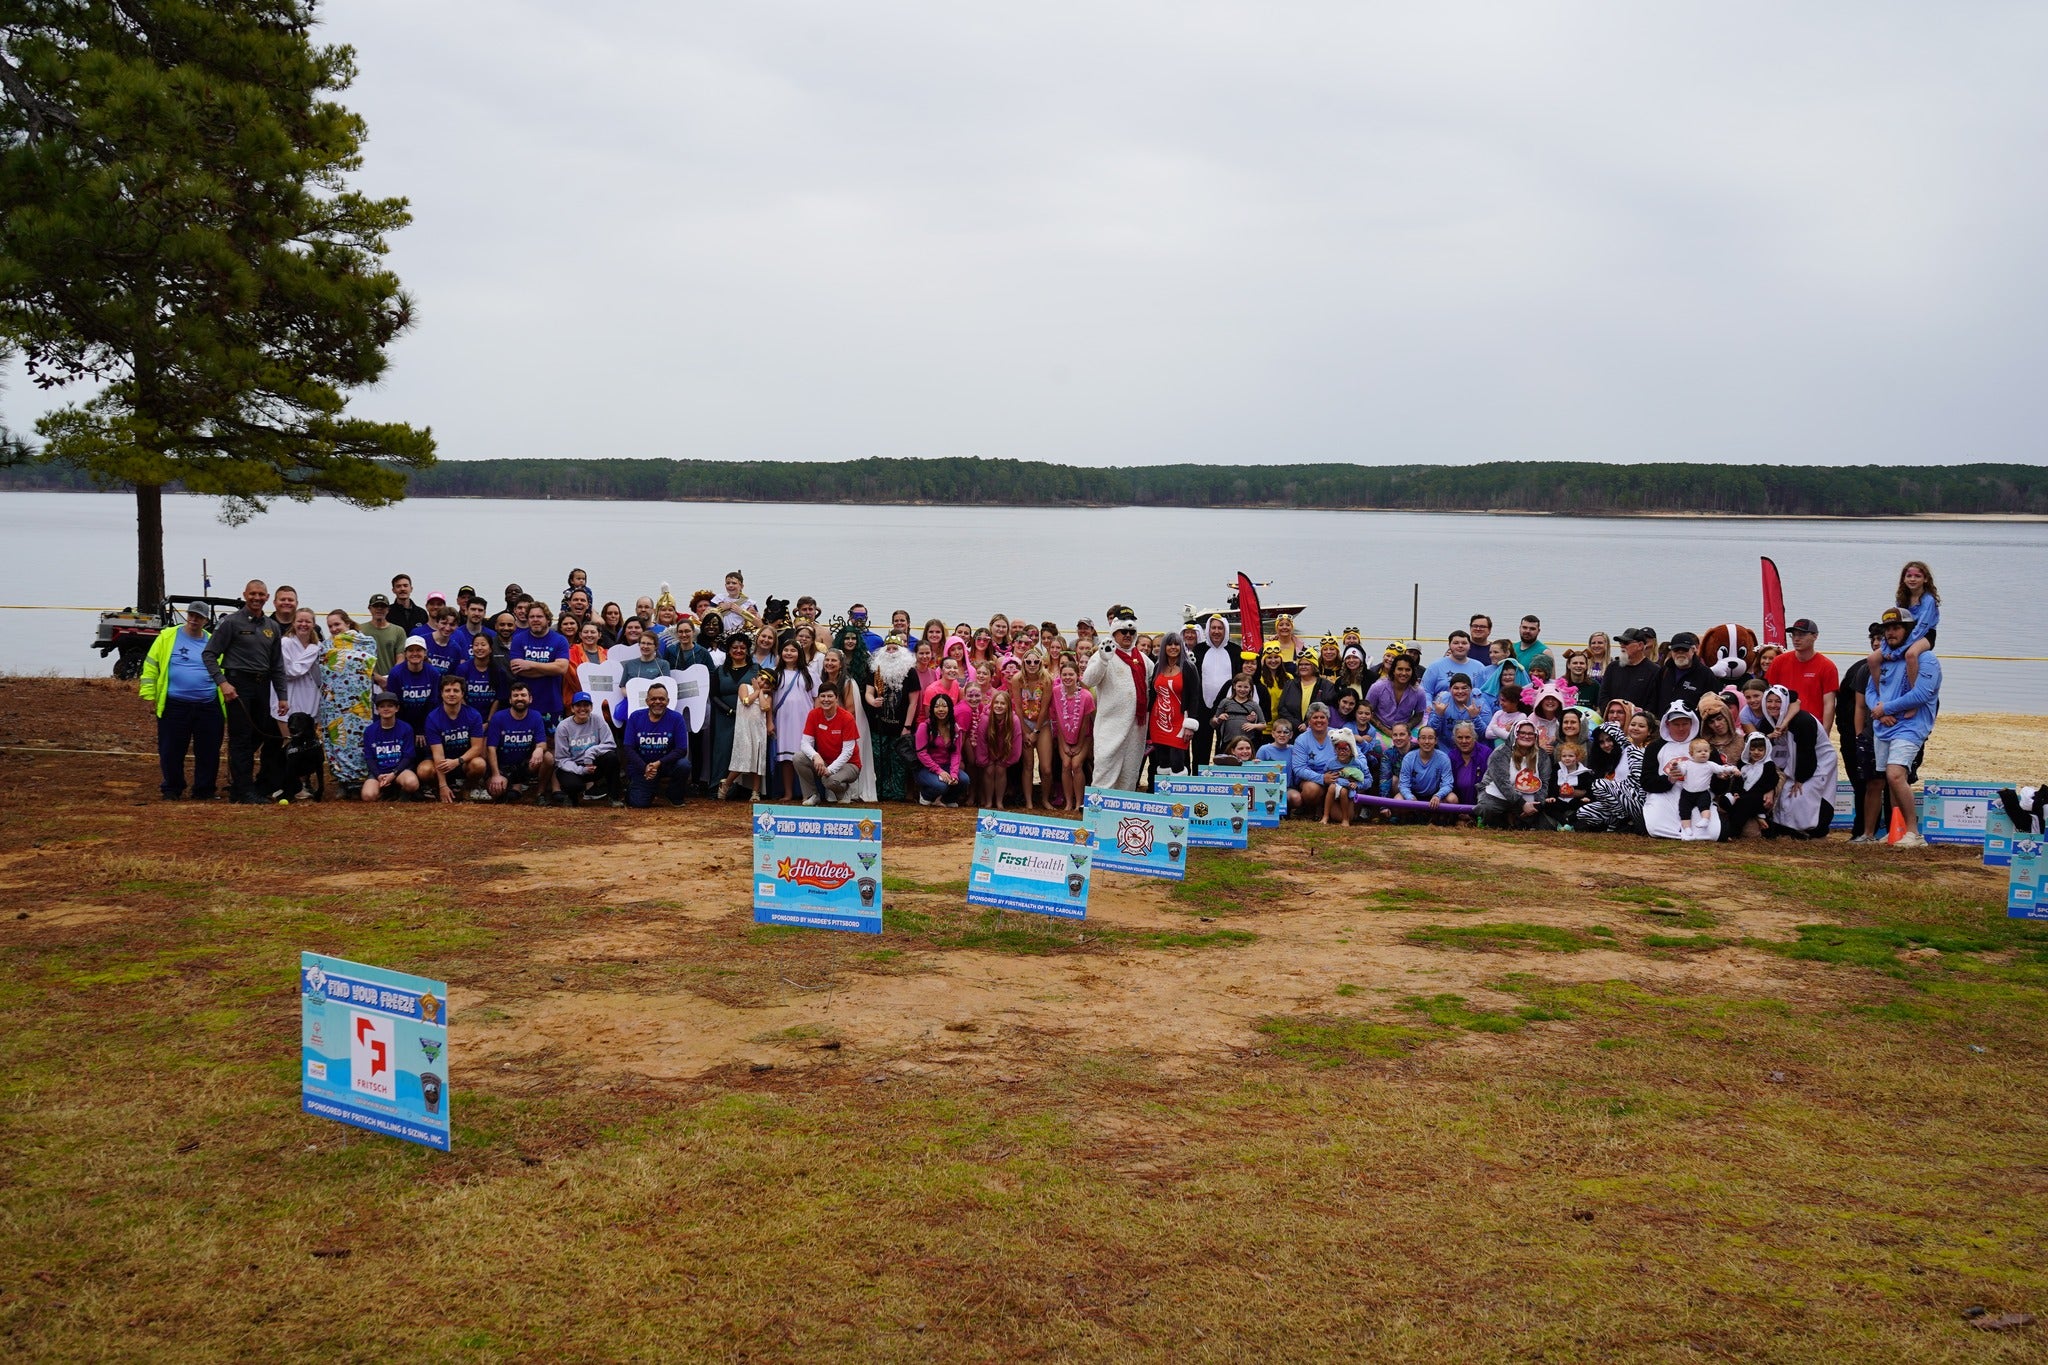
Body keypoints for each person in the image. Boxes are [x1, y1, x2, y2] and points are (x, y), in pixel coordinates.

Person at [202, 579, 290, 803]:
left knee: (260, 734)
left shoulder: (272, 627)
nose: (256, 598)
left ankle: (248, 783)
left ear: (267, 598)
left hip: (263, 686)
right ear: (244, 595)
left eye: (261, 594)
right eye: (252, 594)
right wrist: (223, 683)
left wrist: (282, 696)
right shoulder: (231, 622)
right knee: (241, 738)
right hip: (238, 685)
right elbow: (209, 655)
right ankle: (243, 790)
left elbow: (277, 665)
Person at [1860, 607, 1942, 847]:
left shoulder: (1925, 659)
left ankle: (1915, 833)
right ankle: (1898, 828)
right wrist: (1878, 710)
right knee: (1890, 778)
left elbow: (1923, 694)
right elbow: (1871, 691)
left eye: (1896, 628)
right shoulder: (1885, 658)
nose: (1891, 633)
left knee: (1896, 775)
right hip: (1884, 726)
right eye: (1887, 629)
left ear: (1909, 630)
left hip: (1911, 725)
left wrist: (1886, 708)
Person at [140, 601, 226, 801]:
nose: (194, 619)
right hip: (175, 704)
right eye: (192, 615)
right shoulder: (167, 637)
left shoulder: (213, 642)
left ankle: (204, 790)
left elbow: (222, 671)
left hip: (208, 705)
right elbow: (151, 666)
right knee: (171, 750)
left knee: (209, 750)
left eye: (199, 617)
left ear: (206, 620)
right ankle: (172, 788)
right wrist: (148, 694)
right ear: (187, 615)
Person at [1082, 608, 1150, 790]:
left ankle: (1123, 814)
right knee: (1104, 771)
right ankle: (1098, 813)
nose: (1128, 635)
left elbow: (1155, 683)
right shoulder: (1104, 653)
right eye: (1124, 632)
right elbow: (1088, 680)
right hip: (1111, 725)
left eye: (1131, 632)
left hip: (1137, 726)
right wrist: (1103, 660)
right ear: (1115, 632)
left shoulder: (1143, 659)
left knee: (1129, 774)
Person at [1641, 703, 1719, 840]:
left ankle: (1689, 832)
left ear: (1692, 723)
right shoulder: (1654, 747)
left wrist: (1722, 778)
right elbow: (1646, 782)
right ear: (1667, 724)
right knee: (1654, 828)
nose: (1681, 728)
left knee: (1713, 832)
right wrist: (1669, 779)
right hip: (1665, 797)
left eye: (1685, 723)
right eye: (1676, 724)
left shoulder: (1704, 747)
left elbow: (1718, 786)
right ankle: (1684, 833)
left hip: (1697, 798)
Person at [865, 633, 922, 803]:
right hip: (879, 725)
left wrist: (907, 726)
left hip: (900, 726)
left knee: (898, 761)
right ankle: (881, 792)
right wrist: (872, 701)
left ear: (902, 651)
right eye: (888, 648)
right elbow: (868, 693)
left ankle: (897, 794)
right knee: (879, 759)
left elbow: (913, 703)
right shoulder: (875, 670)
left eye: (894, 649)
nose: (891, 652)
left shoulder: (910, 672)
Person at [1872, 560, 1940, 693]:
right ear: (1904, 578)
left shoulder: (1928, 600)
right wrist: (1886, 648)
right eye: (1909, 576)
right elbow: (1895, 624)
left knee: (1910, 654)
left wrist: (1898, 651)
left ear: (1925, 579)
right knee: (1872, 658)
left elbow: (1921, 628)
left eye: (1917, 576)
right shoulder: (1902, 598)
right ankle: (1880, 691)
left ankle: (1913, 693)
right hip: (1904, 633)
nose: (1912, 579)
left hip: (1924, 634)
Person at [621, 681, 690, 807]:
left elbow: (681, 749)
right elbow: (628, 747)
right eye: (653, 699)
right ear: (647, 701)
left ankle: (673, 795)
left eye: (661, 699)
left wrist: (659, 763)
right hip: (642, 767)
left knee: (684, 765)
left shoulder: (676, 718)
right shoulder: (635, 717)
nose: (658, 702)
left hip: (665, 765)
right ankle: (642, 789)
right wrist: (644, 767)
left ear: (668, 701)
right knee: (638, 803)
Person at [420, 676, 487, 803]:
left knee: (479, 764)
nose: (451, 694)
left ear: (462, 694)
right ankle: (439, 789)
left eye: (456, 691)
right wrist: (442, 785)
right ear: (441, 693)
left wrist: (457, 761)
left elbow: (477, 748)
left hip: (463, 761)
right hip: (441, 761)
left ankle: (467, 788)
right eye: (447, 690)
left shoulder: (474, 715)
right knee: (424, 771)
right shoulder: (433, 718)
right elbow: (438, 755)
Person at [1476, 719, 1551, 829]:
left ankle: (1517, 822)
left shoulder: (1542, 756)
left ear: (1536, 736)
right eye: (1522, 733)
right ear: (1515, 733)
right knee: (1488, 808)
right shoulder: (1500, 752)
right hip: (1498, 792)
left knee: (1535, 819)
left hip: (1528, 794)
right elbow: (1502, 783)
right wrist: (1522, 804)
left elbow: (1544, 783)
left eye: (1531, 734)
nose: (1526, 736)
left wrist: (1536, 804)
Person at [1766, 618, 1839, 731]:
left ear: (1815, 636)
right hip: (1782, 724)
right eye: (1793, 635)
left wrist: (1825, 732)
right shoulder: (1779, 661)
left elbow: (1829, 704)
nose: (1796, 639)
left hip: (1812, 725)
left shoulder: (1827, 666)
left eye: (1801, 635)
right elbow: (1769, 695)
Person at [486, 683, 555, 803]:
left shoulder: (536, 716)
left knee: (548, 757)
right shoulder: (498, 717)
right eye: (515, 695)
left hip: (525, 765)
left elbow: (542, 743)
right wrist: (496, 774)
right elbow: (491, 748)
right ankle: (514, 786)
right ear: (510, 700)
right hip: (503, 766)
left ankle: (540, 793)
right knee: (496, 792)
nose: (519, 698)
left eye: (523, 695)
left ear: (530, 699)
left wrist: (539, 749)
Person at [798, 682, 862, 805]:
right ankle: (812, 795)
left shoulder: (847, 718)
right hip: (825, 761)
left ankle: (843, 791)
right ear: (818, 698)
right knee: (798, 758)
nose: (826, 700)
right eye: (822, 696)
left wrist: (830, 770)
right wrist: (816, 756)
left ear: (836, 698)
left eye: (830, 696)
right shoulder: (813, 715)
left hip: (850, 764)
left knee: (829, 780)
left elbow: (848, 751)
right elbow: (805, 743)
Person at [1191, 614, 1242, 767]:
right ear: (1208, 629)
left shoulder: (1235, 650)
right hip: (1202, 707)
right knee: (1200, 748)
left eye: (1220, 628)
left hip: (1228, 708)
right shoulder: (1198, 650)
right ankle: (1199, 779)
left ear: (1226, 630)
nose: (1216, 631)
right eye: (1213, 628)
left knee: (1226, 747)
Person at [509, 602, 572, 720]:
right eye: (531, 617)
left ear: (548, 619)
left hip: (552, 704)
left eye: (539, 616)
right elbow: (517, 669)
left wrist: (530, 664)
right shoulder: (518, 639)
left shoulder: (560, 640)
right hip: (524, 704)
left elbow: (562, 669)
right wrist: (550, 669)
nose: (535, 620)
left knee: (551, 739)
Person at [551, 692, 617, 803]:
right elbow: (561, 759)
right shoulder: (563, 727)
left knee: (611, 757)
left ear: (591, 707)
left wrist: (590, 752)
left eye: (586, 705)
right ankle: (572, 798)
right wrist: (581, 770)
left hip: (593, 763)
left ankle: (614, 797)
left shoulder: (598, 720)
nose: (582, 709)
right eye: (578, 705)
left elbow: (610, 744)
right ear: (572, 708)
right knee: (572, 784)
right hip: (573, 766)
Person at [1146, 635, 1196, 785]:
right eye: (1169, 644)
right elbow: (1153, 694)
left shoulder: (1188, 667)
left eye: (1177, 644)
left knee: (1177, 762)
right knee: (1162, 762)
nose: (1173, 647)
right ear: (1164, 648)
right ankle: (1165, 796)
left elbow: (1194, 697)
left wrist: (1190, 725)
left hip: (1179, 722)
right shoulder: (1158, 666)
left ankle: (1179, 798)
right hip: (1158, 721)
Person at [1011, 647, 1055, 809]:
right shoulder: (1017, 679)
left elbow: (1044, 709)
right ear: (1023, 663)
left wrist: (1036, 731)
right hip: (1024, 723)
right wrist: (1024, 731)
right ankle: (1029, 802)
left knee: (1046, 768)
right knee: (1028, 765)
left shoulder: (1046, 679)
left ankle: (1044, 799)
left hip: (1041, 724)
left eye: (1036, 661)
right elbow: (1018, 708)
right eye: (1028, 661)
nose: (1032, 664)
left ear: (1040, 663)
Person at [771, 638, 814, 802]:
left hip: (804, 721)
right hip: (783, 721)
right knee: (786, 760)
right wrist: (770, 721)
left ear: (799, 653)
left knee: (804, 757)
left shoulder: (809, 673)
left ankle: (807, 792)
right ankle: (788, 792)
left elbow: (816, 698)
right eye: (786, 650)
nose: (789, 653)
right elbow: (769, 698)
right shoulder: (776, 673)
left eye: (793, 650)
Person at [360, 691, 420, 801]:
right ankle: (386, 792)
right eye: (382, 706)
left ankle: (402, 791)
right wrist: (378, 775)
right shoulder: (370, 731)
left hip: (400, 771)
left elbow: (409, 756)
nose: (386, 709)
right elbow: (369, 757)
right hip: (379, 772)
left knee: (411, 783)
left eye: (390, 706)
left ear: (397, 708)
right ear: (377, 710)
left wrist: (393, 774)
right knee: (368, 796)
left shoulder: (406, 728)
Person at [1674, 736, 1737, 840]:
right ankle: (1687, 828)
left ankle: (1705, 819)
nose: (1703, 753)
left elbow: (1722, 769)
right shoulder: (1687, 764)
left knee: (1704, 807)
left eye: (1706, 751)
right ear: (1691, 754)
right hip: (1687, 793)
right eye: (1699, 751)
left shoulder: (1710, 765)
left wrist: (1733, 769)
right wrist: (1676, 767)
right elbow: (1681, 771)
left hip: (1702, 792)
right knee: (1684, 811)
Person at [970, 687, 1023, 809]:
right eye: (997, 703)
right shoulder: (985, 719)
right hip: (988, 753)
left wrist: (1007, 761)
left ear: (1008, 706)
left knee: (1000, 770)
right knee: (989, 771)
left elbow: (1016, 743)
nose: (999, 706)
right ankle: (989, 801)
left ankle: (999, 801)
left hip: (1004, 754)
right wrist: (984, 760)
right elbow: (981, 742)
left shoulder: (1014, 720)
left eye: (1002, 703)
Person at [915, 693, 971, 806]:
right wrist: (939, 771)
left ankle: (948, 799)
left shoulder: (955, 729)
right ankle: (926, 795)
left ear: (950, 708)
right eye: (937, 706)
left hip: (946, 765)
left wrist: (954, 774)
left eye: (944, 706)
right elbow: (921, 753)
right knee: (940, 785)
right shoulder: (925, 727)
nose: (941, 709)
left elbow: (956, 753)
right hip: (926, 768)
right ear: (932, 709)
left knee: (964, 780)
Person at [386, 638, 441, 751]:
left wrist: (421, 730)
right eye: (411, 650)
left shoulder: (433, 673)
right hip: (402, 721)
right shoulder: (395, 673)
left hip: (426, 722)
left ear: (425, 653)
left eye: (418, 650)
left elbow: (432, 704)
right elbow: (394, 704)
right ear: (405, 653)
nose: (415, 653)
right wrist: (408, 730)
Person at [1725, 732, 1779, 839]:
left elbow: (1773, 780)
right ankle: (1759, 817)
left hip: (1758, 797)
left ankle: (1733, 832)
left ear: (1766, 750)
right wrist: (1735, 792)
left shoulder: (1769, 765)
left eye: (1760, 750)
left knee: (1745, 802)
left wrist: (1770, 790)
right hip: (1743, 795)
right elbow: (1738, 781)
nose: (1756, 752)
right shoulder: (1742, 764)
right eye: (1753, 749)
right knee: (1728, 801)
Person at [1289, 703, 1341, 815]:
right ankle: (1311, 809)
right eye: (1315, 717)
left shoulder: (1338, 734)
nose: (1319, 720)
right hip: (1311, 780)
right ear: (1309, 721)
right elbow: (1299, 768)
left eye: (1322, 717)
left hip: (1337, 777)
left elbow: (1356, 753)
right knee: (1311, 790)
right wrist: (1322, 778)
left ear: (1328, 720)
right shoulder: (1301, 740)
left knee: (1343, 816)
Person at [279, 608, 324, 728]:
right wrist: (311, 652)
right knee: (290, 744)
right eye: (300, 621)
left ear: (313, 624)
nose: (303, 624)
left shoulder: (319, 647)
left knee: (308, 744)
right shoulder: (285, 643)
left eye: (308, 622)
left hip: (312, 700)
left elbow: (320, 677)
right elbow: (289, 672)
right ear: (293, 622)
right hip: (288, 700)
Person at [1597, 628, 1660, 714]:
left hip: (1639, 724)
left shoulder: (1654, 671)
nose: (1622, 646)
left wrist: (1638, 719)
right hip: (1613, 721)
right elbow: (1603, 696)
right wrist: (1611, 714)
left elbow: (1653, 702)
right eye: (1621, 643)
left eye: (1626, 643)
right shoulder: (1612, 667)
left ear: (1640, 645)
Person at [1365, 654, 1426, 738]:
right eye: (1400, 669)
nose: (1404, 673)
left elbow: (1419, 715)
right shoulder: (1378, 687)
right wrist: (1387, 731)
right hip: (1379, 729)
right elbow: (1367, 711)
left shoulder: (1419, 691)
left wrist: (1406, 727)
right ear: (1393, 670)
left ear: (1412, 671)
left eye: (1408, 670)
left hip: (1404, 728)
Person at [1653, 631, 1716, 713]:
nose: (1680, 652)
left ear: (1693, 650)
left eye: (1685, 649)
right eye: (1676, 649)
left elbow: (1712, 704)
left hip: (1693, 724)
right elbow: (1653, 700)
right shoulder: (1664, 671)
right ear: (1671, 651)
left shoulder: (1706, 674)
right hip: (1664, 723)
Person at [454, 633, 510, 722]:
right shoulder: (462, 669)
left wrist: (489, 721)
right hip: (466, 717)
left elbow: (498, 699)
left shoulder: (499, 671)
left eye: (483, 645)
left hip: (491, 719)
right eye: (476, 645)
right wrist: (471, 719)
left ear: (491, 648)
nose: (479, 648)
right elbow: (460, 696)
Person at [1399, 725, 1455, 810]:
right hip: (1413, 794)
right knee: (1398, 799)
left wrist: (1438, 795)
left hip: (1435, 796)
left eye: (1431, 738)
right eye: (1423, 738)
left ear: (1436, 741)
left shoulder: (1443, 758)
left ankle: (1442, 820)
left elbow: (1447, 784)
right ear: (1418, 740)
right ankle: (1406, 820)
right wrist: (1410, 797)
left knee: (1452, 799)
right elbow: (1403, 784)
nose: (1427, 741)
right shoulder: (1409, 758)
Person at [1322, 730, 1370, 826]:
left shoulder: (1358, 763)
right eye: (1339, 749)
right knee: (1331, 787)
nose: (1342, 752)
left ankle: (1345, 819)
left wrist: (1358, 785)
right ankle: (1325, 816)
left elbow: (1369, 780)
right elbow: (1325, 775)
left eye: (1345, 749)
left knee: (1343, 792)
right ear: (1335, 750)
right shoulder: (1331, 763)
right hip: (1334, 790)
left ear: (1351, 749)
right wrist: (1328, 778)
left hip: (1349, 792)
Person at [1420, 630, 1477, 702]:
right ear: (1449, 645)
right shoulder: (1435, 667)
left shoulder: (1479, 667)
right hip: (1440, 712)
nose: (1460, 646)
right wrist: (1429, 708)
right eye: (1456, 643)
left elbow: (1483, 694)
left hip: (1470, 712)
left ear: (1469, 646)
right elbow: (1426, 691)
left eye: (1464, 643)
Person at [1445, 722, 1491, 810]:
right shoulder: (1451, 756)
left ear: (1474, 738)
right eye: (1460, 737)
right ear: (1454, 739)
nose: (1464, 741)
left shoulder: (1486, 754)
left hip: (1482, 803)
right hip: (1458, 805)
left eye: (1467, 737)